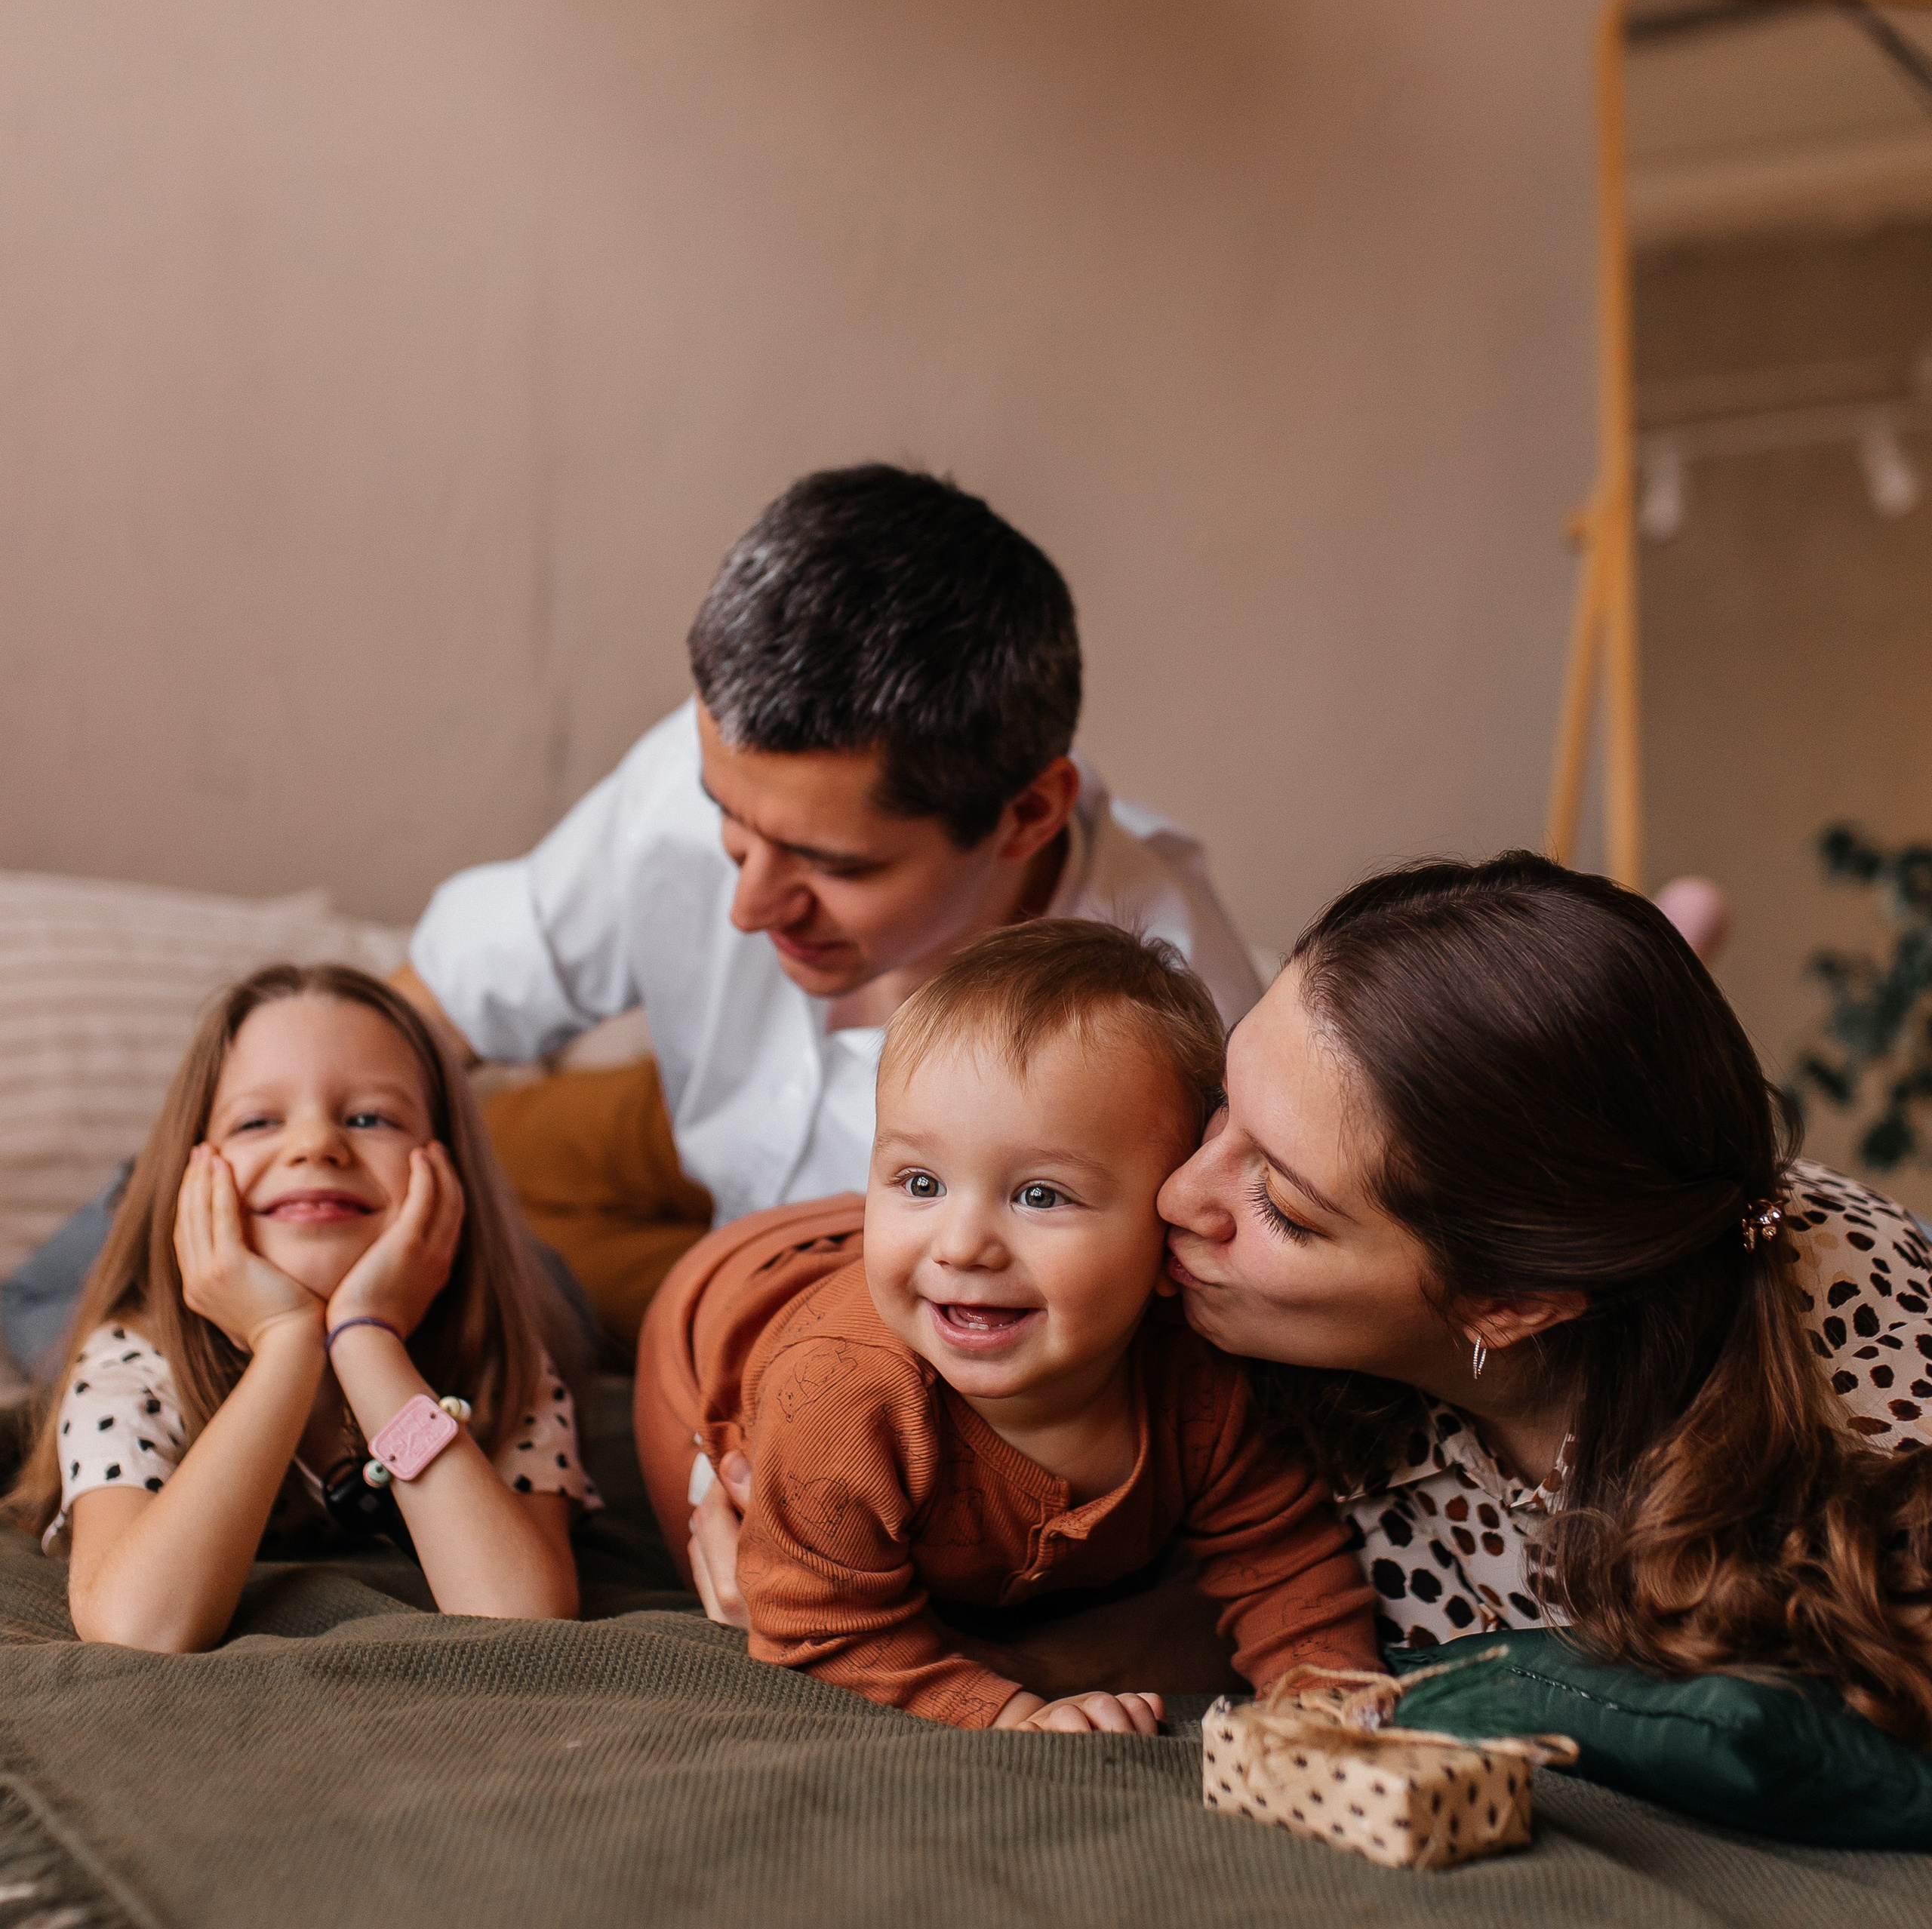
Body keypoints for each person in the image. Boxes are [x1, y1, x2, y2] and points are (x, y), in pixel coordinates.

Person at [1159, 853, 1932, 1743]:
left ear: (1509, 1303)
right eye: (1223, 1103)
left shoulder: (1876, 1423)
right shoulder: (1238, 1326)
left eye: (1281, 1206)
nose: (1177, 1195)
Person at [398, 464, 1261, 1218]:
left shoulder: (1183, 1036)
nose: (746, 907)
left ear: (1028, 815)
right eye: (727, 822)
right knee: (442, 1172)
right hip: (689, 1130)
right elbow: (432, 1006)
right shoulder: (721, 762)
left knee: (730, 1324)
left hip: (867, 1272)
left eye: (835, 863)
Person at [636, 921, 1377, 1732]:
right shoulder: (847, 1402)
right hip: (725, 1309)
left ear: (1169, 1225)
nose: (962, 1245)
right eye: (917, 1180)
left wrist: (1332, 1705)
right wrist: (1009, 1714)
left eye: (1039, 1196)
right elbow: (820, 1630)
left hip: (863, 1255)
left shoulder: (1204, 1382)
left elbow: (1281, 1560)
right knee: (740, 1569)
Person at [5, 964, 593, 1651]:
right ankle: (136, 1185)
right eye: (258, 1119)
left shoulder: (499, 1360)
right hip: (113, 1265)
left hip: (406, 1255)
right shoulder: (133, 1360)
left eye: (370, 1117)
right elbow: (140, 1624)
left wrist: (368, 1338)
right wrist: (286, 1339)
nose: (316, 1144)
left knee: (555, 1289)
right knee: (41, 1307)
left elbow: (519, 1615)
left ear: (446, 1164)